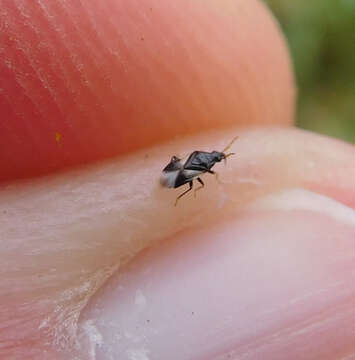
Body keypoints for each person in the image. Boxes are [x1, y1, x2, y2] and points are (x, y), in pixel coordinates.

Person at [0, 0, 354, 358]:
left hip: (172, 175)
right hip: (172, 178)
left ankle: (172, 184)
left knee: (180, 174)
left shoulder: (202, 160)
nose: (217, 157)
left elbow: (193, 166)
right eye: (219, 156)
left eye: (218, 157)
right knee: (183, 178)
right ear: (214, 159)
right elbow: (196, 170)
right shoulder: (205, 164)